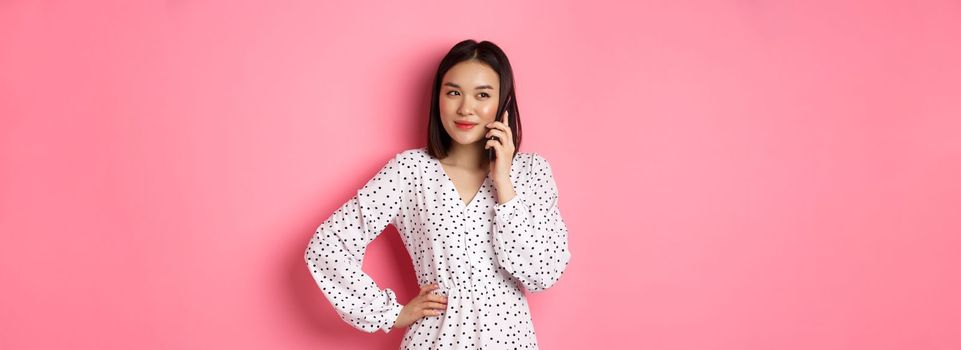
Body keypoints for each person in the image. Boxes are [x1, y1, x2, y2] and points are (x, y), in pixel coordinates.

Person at [304, 39, 572, 349]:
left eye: (482, 95)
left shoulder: (530, 173)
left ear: (503, 103)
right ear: (438, 98)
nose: (466, 108)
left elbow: (543, 273)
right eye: (453, 92)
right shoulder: (409, 171)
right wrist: (390, 313)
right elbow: (327, 246)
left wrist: (505, 186)